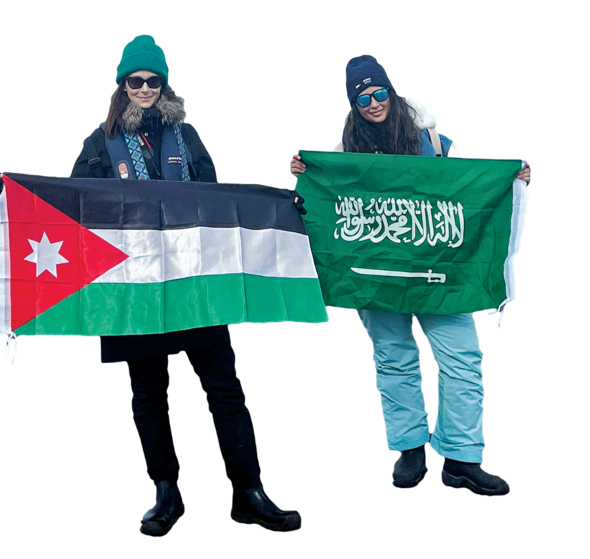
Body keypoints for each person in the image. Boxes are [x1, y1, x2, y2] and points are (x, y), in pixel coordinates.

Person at [71, 34, 303, 536]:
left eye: (155, 80)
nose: (146, 88)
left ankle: (249, 492)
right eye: (136, 80)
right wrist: (16, 197)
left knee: (223, 386)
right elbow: (75, 205)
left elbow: (217, 199)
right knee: (149, 392)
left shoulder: (188, 138)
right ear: (121, 84)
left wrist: (282, 205)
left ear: (165, 84)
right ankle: (165, 494)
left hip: (194, 282)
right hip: (135, 287)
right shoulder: (97, 143)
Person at [289, 54, 532, 497]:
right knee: (393, 357)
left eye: (379, 93)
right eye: (361, 97)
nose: (372, 103)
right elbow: (323, 206)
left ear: (392, 92)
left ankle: (461, 456)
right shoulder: (343, 154)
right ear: (352, 103)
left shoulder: (435, 141)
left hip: (439, 272)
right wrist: (305, 176)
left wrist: (510, 179)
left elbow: (469, 189)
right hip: (377, 275)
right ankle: (410, 447)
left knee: (462, 358)